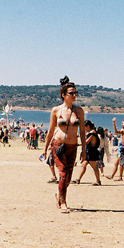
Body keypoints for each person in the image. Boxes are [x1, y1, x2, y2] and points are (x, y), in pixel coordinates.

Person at [42, 76, 87, 212]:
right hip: (58, 145)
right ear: (63, 95)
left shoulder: (78, 111)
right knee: (62, 173)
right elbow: (50, 131)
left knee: (68, 176)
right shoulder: (56, 110)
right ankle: (63, 202)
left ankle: (59, 196)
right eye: (71, 93)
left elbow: (83, 132)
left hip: (72, 146)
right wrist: (45, 149)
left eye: (75, 93)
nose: (74, 95)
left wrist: (84, 149)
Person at [73, 120, 102, 185]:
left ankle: (98, 181)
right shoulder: (91, 133)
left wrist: (77, 144)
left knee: (94, 167)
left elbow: (86, 142)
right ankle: (78, 179)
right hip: (89, 152)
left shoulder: (92, 133)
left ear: (88, 126)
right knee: (83, 165)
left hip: (92, 152)